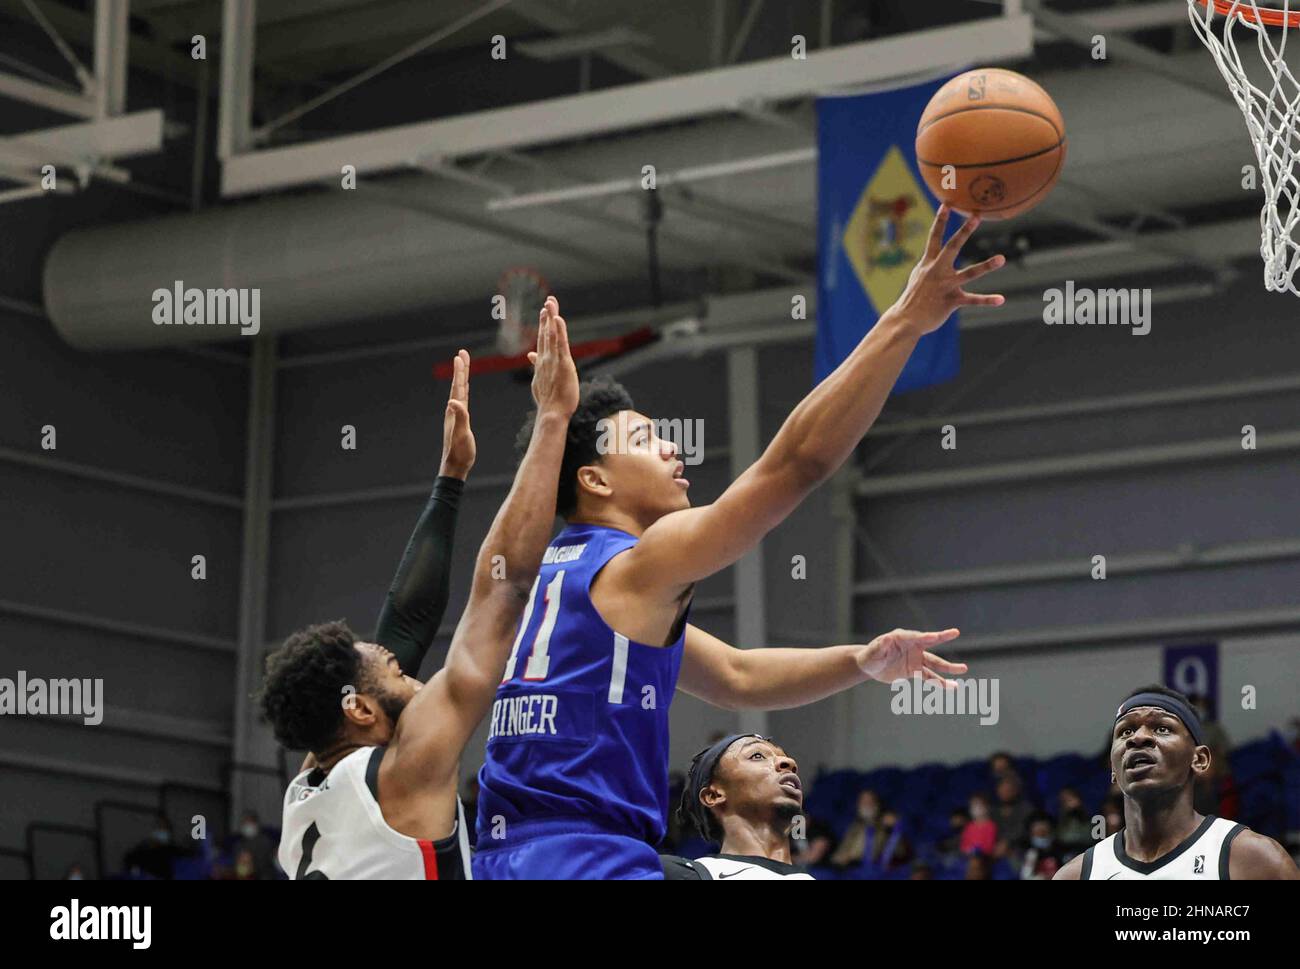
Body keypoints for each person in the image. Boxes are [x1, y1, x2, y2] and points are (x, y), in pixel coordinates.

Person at [475, 206, 1004, 879]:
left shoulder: (554, 576)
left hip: (502, 858)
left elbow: (735, 677)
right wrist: (903, 320)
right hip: (588, 859)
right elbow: (795, 467)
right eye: (643, 439)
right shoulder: (640, 564)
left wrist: (861, 660)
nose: (669, 446)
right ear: (593, 479)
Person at [262, 299, 579, 879]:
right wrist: (553, 419)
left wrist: (451, 478)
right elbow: (501, 595)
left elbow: (404, 623)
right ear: (357, 708)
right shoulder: (405, 771)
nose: (400, 659)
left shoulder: (310, 783)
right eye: (388, 667)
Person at [1054, 685, 1298, 880]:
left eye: (1161, 728)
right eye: (1126, 731)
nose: (1138, 738)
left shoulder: (1253, 859)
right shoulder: (1075, 875)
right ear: (1113, 770)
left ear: (1199, 759)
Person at [661, 734, 814, 880]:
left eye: (785, 757)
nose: (790, 763)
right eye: (757, 756)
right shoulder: (672, 873)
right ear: (714, 795)